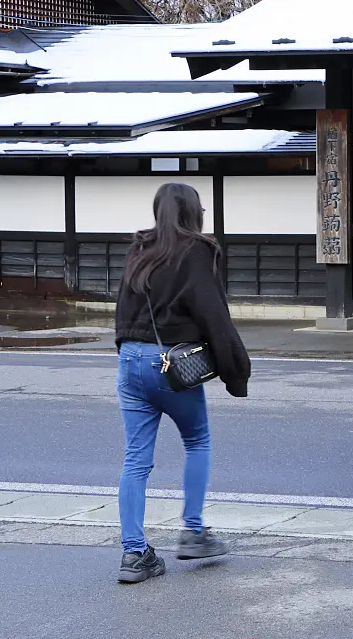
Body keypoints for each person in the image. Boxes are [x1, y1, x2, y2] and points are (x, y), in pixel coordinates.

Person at [113, 182, 251, 583]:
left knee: (135, 460)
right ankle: (192, 531)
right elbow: (214, 315)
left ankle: (134, 554)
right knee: (197, 441)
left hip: (130, 360)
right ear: (194, 212)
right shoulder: (197, 251)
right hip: (170, 366)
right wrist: (236, 371)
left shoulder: (139, 248)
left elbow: (123, 308)